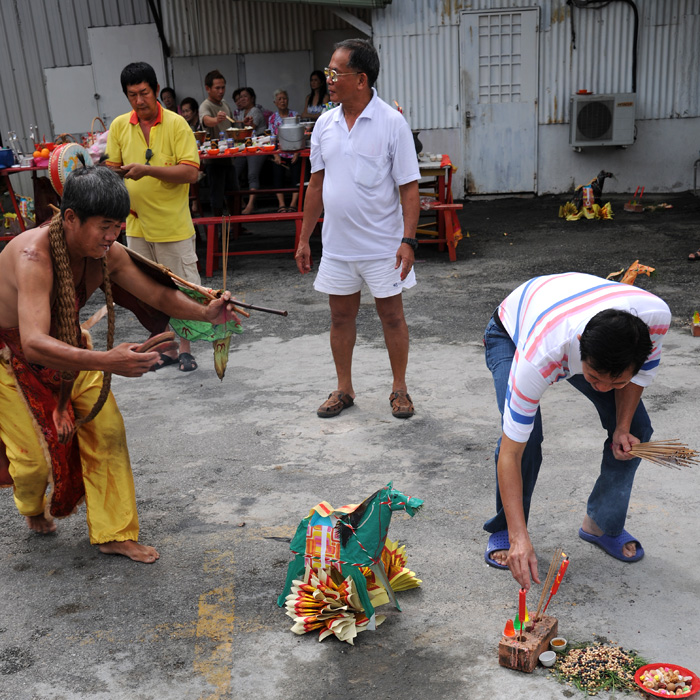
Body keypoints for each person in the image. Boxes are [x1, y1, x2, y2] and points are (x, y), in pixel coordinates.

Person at [0, 166, 241, 562]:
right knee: (30, 464)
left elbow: (159, 296)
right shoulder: (33, 256)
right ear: (71, 218)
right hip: (12, 360)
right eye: (105, 226)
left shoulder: (107, 254)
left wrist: (208, 313)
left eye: (118, 226)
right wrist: (107, 360)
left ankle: (114, 532)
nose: (113, 237)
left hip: (72, 350)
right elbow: (33, 343)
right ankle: (29, 506)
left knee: (108, 431)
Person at [482, 272, 672, 590]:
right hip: (513, 331)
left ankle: (601, 524)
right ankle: (508, 530)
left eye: (617, 382)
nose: (602, 389)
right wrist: (519, 537)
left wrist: (621, 428)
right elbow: (511, 453)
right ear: (581, 348)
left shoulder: (654, 321)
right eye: (594, 378)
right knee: (527, 441)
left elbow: (636, 380)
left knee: (638, 429)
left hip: (570, 313)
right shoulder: (540, 355)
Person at [295, 39, 420, 420]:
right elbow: (315, 185)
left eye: (336, 73)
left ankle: (399, 389)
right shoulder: (324, 124)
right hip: (338, 246)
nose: (328, 79)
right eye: (328, 72)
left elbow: (409, 188)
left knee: (393, 317)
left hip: (384, 246)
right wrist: (304, 238)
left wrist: (408, 241)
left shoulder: (391, 123)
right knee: (340, 317)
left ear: (362, 79)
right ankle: (344, 388)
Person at [105, 61, 201, 373]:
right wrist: (109, 171)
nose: (139, 100)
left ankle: (186, 348)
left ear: (156, 90)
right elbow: (111, 167)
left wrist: (147, 169)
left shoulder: (176, 124)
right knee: (146, 291)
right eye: (132, 95)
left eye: (144, 93)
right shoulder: (120, 126)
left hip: (172, 224)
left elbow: (190, 172)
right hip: (135, 223)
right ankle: (167, 347)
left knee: (181, 289)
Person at [199, 69, 238, 217]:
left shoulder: (225, 104)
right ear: (208, 88)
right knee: (217, 197)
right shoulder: (205, 105)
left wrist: (244, 123)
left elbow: (232, 125)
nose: (221, 91)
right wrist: (215, 120)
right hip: (214, 160)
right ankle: (219, 231)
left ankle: (236, 229)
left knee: (234, 194)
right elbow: (205, 120)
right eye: (217, 88)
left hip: (229, 156)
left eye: (223, 87)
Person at [232, 87, 267, 215]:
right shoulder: (242, 113)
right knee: (234, 172)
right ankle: (240, 202)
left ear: (252, 98)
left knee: (252, 175)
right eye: (240, 97)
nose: (242, 99)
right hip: (245, 146)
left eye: (245, 96)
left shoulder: (255, 111)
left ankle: (251, 204)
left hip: (257, 146)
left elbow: (249, 129)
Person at [268, 89, 301, 212]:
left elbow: (300, 135)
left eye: (285, 98)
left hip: (294, 151)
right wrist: (276, 155)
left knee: (297, 175)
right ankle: (281, 204)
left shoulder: (295, 115)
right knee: (277, 174)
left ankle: (293, 204)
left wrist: (297, 153)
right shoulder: (272, 118)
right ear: (275, 102)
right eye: (280, 99)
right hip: (280, 152)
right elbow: (272, 139)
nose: (283, 101)